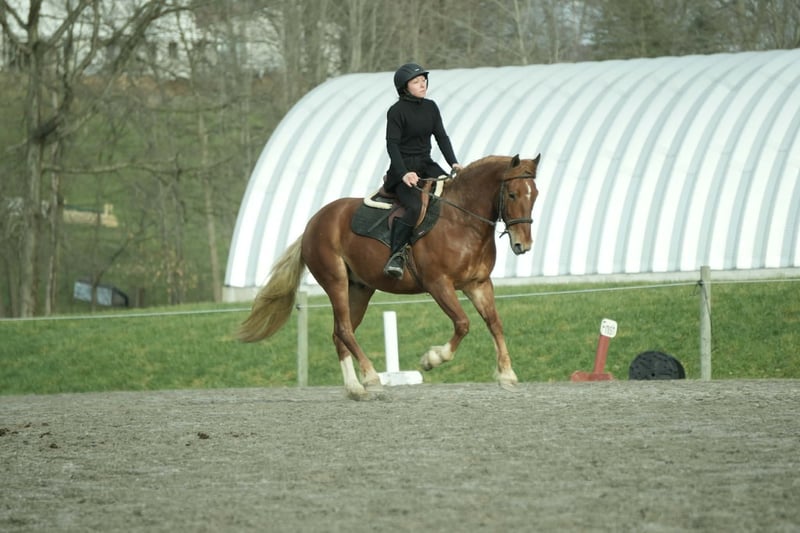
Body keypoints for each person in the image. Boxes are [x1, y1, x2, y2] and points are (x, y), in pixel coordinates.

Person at [383, 62, 463, 278]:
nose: (422, 84)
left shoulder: (431, 107)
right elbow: (392, 145)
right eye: (416, 82)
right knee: (415, 206)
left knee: (454, 193)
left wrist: (453, 163)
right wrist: (403, 173)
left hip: (427, 164)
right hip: (403, 170)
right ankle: (396, 255)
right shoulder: (396, 111)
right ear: (404, 87)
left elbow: (441, 137)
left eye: (424, 80)